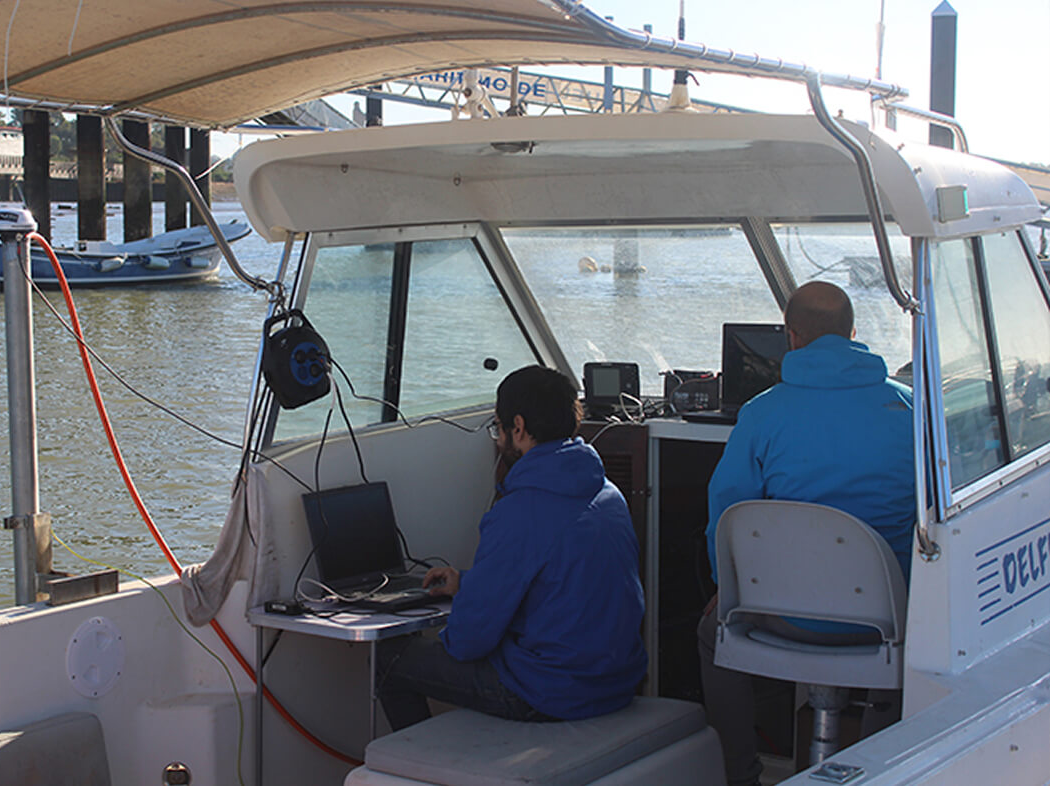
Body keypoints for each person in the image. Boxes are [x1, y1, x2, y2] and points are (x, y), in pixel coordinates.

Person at [698, 280, 914, 786]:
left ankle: (740, 775)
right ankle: (881, 770)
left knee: (712, 633)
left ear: (791, 337)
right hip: (885, 620)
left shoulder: (761, 414)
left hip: (785, 617)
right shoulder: (911, 410)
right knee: (916, 642)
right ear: (853, 334)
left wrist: (725, 587)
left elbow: (726, 512)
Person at [376, 365, 647, 731]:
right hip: (618, 683)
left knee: (389, 658)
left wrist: (451, 627)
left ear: (517, 427)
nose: (498, 438)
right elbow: (560, 581)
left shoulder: (520, 511)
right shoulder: (608, 493)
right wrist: (466, 584)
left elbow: (468, 642)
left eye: (498, 427)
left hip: (550, 695)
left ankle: (416, 760)